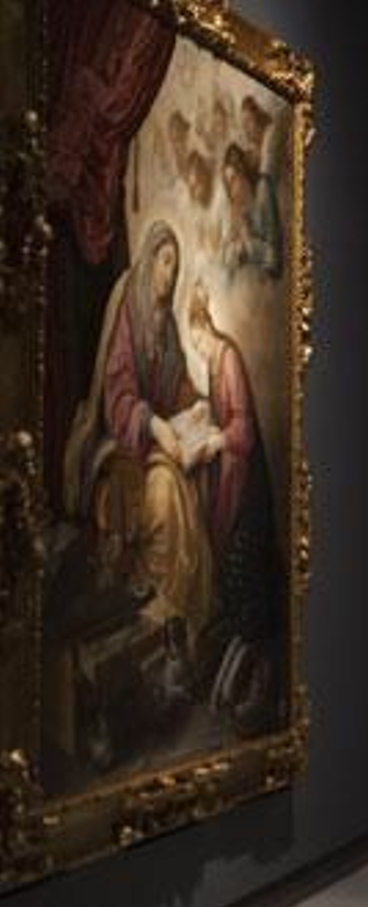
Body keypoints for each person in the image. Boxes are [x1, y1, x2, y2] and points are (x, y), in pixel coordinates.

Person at [64, 220, 214, 639]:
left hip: (154, 445)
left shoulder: (166, 323)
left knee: (181, 490)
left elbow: (177, 383)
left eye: (175, 267)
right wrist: (152, 423)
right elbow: (117, 394)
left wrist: (197, 405)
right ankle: (156, 601)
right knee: (165, 495)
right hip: (121, 443)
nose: (170, 274)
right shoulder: (130, 305)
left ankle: (172, 609)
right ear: (150, 259)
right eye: (166, 262)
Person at [186, 283, 280, 643]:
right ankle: (234, 633)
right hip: (228, 473)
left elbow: (244, 428)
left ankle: (252, 642)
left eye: (198, 341)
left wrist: (217, 440)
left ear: (205, 328)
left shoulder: (228, 358)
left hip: (246, 479)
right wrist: (203, 411)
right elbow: (222, 412)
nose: (198, 350)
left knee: (244, 562)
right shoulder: (213, 363)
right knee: (220, 548)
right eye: (194, 345)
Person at [220, 142, 282, 278]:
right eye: (227, 184)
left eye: (233, 179)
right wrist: (237, 249)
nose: (231, 190)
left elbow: (273, 257)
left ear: (243, 173)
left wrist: (246, 240)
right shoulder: (234, 207)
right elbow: (225, 260)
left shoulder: (262, 190)